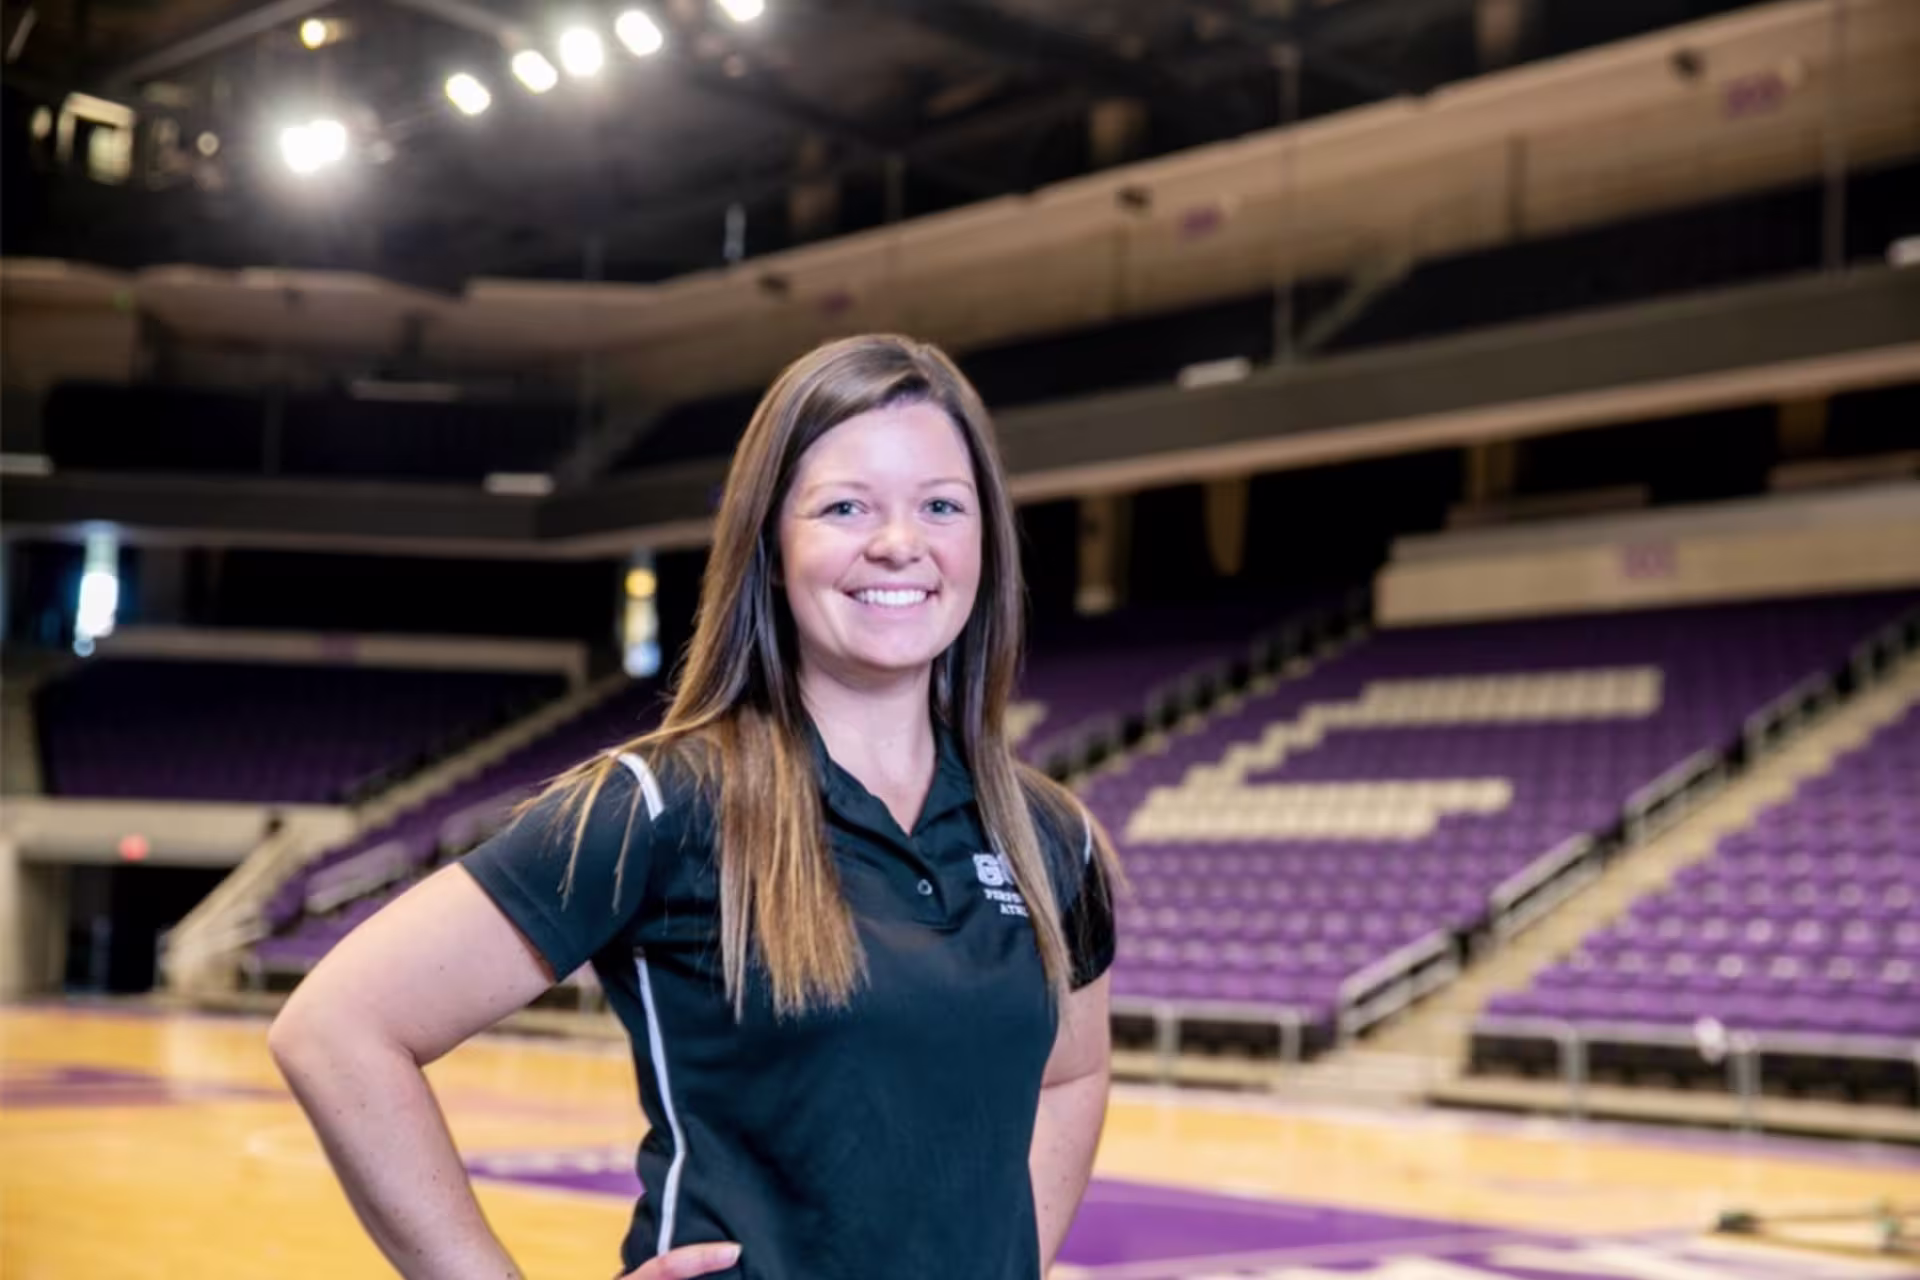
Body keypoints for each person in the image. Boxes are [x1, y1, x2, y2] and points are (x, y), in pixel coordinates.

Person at [269, 334, 1121, 1280]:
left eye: (941, 506)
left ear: (985, 541)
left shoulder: (1052, 839)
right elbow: (338, 1028)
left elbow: (1073, 1072)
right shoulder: (660, 804)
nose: (900, 542)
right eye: (845, 506)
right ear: (770, 543)